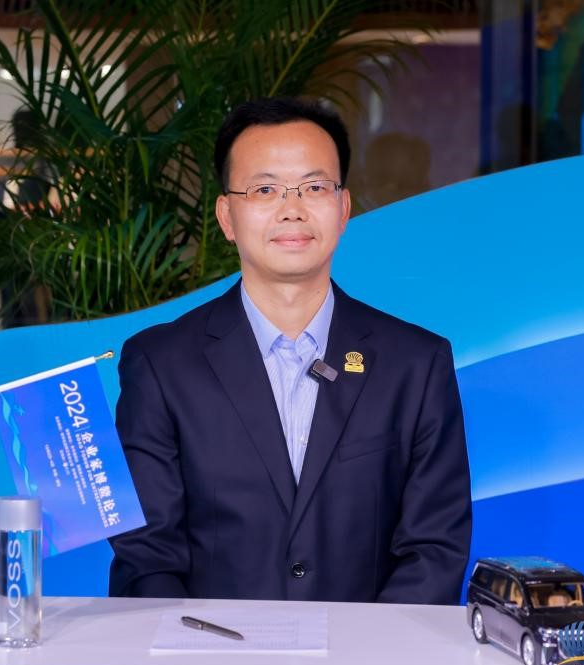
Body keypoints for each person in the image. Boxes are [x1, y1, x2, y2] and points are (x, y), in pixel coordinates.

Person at [108, 97, 472, 603]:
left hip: (369, 652)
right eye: (265, 189)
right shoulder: (161, 364)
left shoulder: (416, 364)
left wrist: (370, 652)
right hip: (209, 649)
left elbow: (434, 549)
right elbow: (148, 557)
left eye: (315, 187)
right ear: (227, 216)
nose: (292, 209)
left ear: (343, 209)